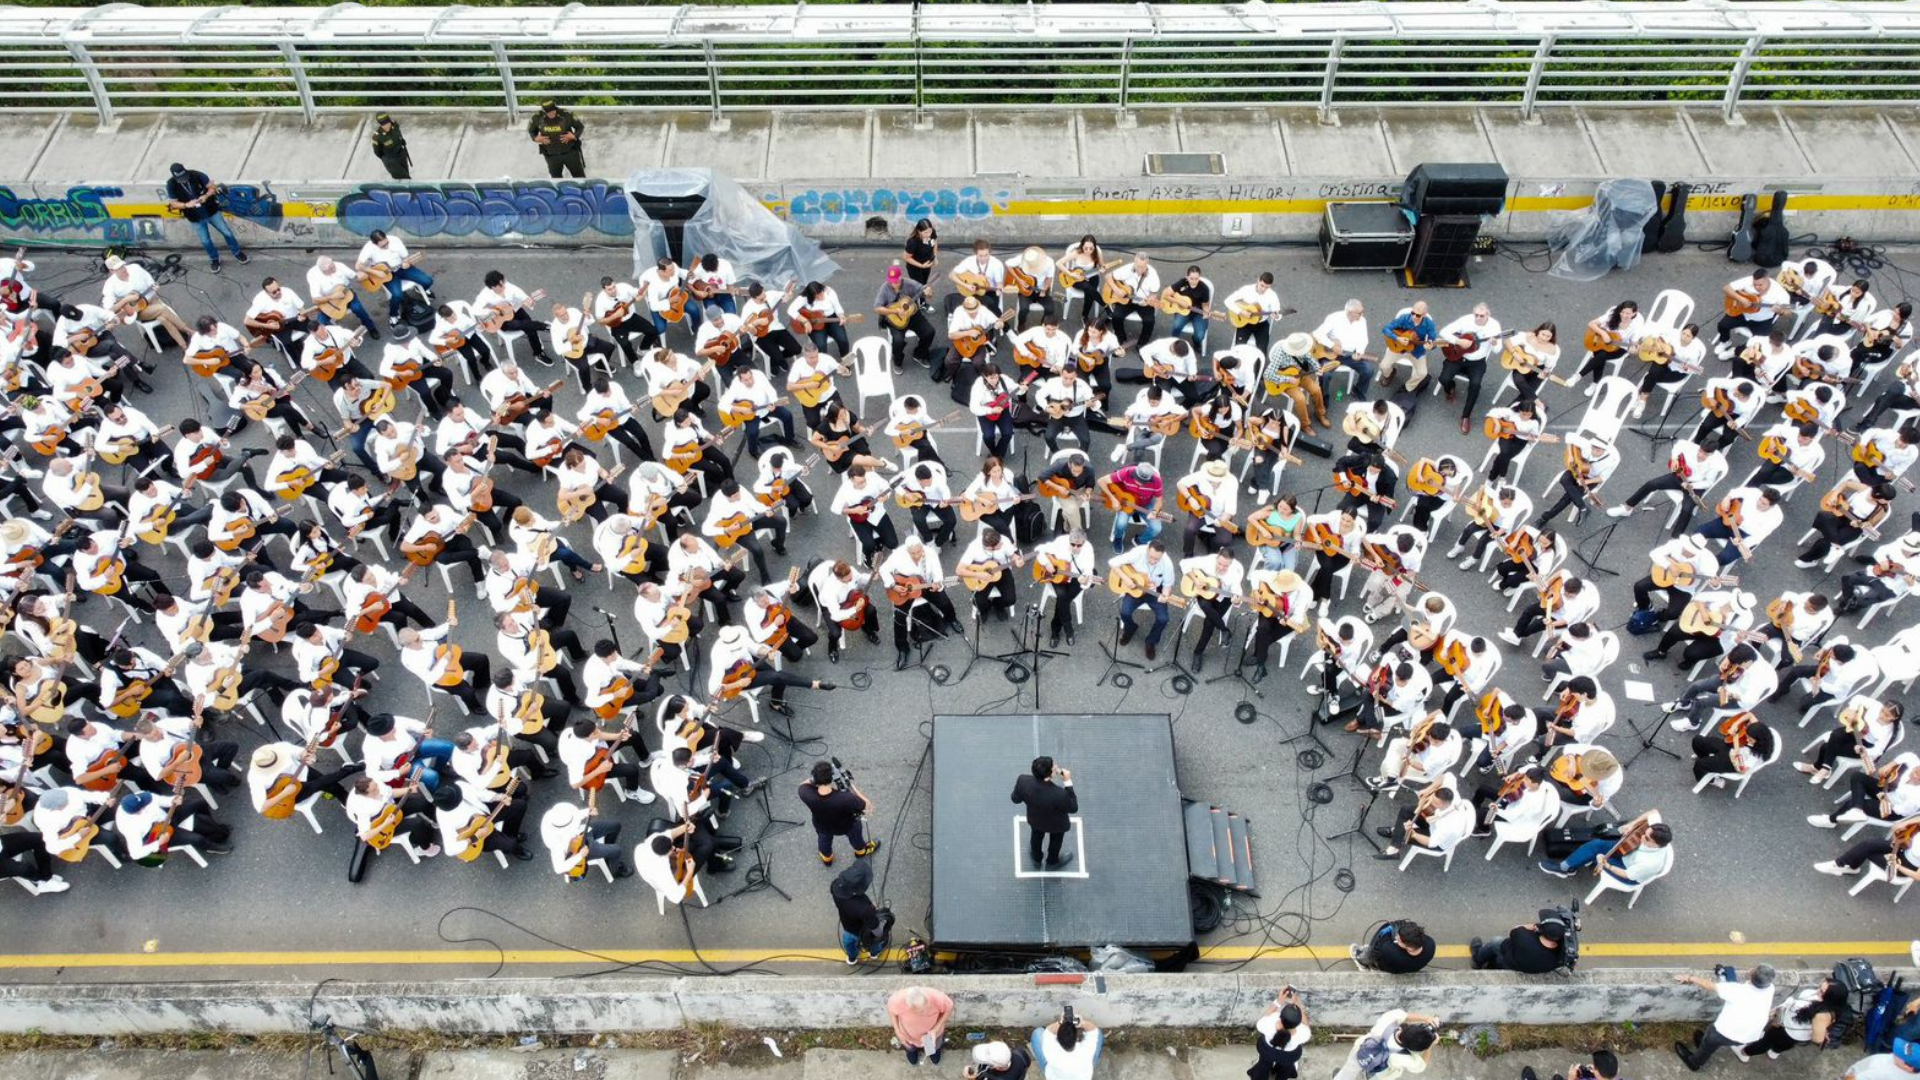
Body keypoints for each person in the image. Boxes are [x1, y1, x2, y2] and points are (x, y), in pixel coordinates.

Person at [1674, 965, 1777, 1071]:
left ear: (1751, 973)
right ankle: (1706, 1043)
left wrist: (1689, 978)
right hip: (1747, 1036)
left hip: (1722, 1033)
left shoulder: (1736, 990)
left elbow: (1709, 985)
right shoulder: (1770, 988)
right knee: (1713, 1041)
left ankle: (1694, 1062)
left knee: (1709, 1042)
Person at [163, 162, 249, 273]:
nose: (183, 180)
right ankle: (214, 259)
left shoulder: (197, 175)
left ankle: (237, 252)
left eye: (184, 177)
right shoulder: (171, 184)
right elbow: (173, 203)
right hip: (194, 217)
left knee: (227, 232)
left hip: (211, 211)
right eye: (180, 178)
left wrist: (206, 196)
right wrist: (186, 205)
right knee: (205, 241)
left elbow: (212, 188)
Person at [1745, 976, 1848, 1059]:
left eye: (1822, 992)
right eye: (1820, 986)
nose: (1818, 991)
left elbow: (1818, 1039)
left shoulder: (1821, 1015)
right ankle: (1774, 1052)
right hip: (1792, 1030)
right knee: (1780, 1045)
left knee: (1765, 1042)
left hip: (1787, 1031)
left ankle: (1746, 1052)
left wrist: (1820, 1029)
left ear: (1830, 998)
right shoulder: (1825, 1003)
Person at [799, 759, 879, 867]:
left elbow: (804, 784)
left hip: (822, 826)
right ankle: (860, 851)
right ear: (832, 778)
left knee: (824, 840)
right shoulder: (846, 798)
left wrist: (815, 778)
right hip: (848, 826)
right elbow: (867, 806)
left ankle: (827, 858)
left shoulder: (805, 793)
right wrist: (850, 785)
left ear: (814, 778)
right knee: (856, 837)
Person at [1012, 755, 1078, 869]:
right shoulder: (1060, 794)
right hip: (1057, 824)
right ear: (1050, 775)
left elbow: (1015, 799)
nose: (1056, 766)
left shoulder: (1023, 780)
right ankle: (1052, 862)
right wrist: (1067, 781)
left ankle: (1036, 859)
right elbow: (1073, 807)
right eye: (1054, 766)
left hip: (1035, 819)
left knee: (1036, 837)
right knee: (1056, 841)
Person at [1334, 1008, 1437, 1080]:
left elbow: (1405, 1016)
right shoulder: (1404, 1058)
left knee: (1348, 1071)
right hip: (1380, 1072)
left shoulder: (1389, 1021)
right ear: (1416, 1049)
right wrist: (1430, 1046)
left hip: (1362, 1050)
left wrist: (1426, 1019)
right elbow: (1421, 1066)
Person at [830, 859, 893, 965]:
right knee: (877, 941)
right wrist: (882, 923)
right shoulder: (865, 909)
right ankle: (874, 953)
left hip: (848, 929)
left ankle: (852, 958)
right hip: (863, 931)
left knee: (849, 944)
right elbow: (878, 932)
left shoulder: (835, 886)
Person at [1469, 912, 1569, 974]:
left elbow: (1515, 930)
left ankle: (1477, 960)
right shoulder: (1563, 951)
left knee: (1496, 941)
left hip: (1509, 961)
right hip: (1530, 968)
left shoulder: (1524, 938)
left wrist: (1534, 926)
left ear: (1541, 930)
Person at [1248, 987, 1311, 1080]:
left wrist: (1279, 1001)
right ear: (1298, 1023)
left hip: (1267, 1051)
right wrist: (1298, 1005)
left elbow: (1264, 1018)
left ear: (1280, 1016)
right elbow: (1306, 1025)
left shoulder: (1271, 1021)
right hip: (1288, 1056)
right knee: (1286, 1067)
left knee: (1264, 1063)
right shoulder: (1303, 1032)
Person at [887, 985, 954, 1066]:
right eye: (920, 1011)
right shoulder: (897, 1000)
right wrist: (897, 1031)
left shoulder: (937, 997)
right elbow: (891, 1010)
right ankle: (912, 1051)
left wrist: (935, 1029)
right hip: (908, 1034)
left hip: (932, 1035)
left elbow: (949, 1007)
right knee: (910, 1048)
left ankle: (933, 1052)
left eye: (927, 1008)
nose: (925, 1012)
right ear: (909, 1006)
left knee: (934, 1049)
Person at [1031, 1009, 1103, 1080]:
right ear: (1076, 1038)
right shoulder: (1086, 1053)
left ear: (1058, 1039)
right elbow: (1093, 1029)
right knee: (1098, 1034)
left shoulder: (1051, 1053)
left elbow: (1048, 1031)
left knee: (1038, 1032)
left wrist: (1060, 1022)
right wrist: (1081, 1023)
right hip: (1084, 1074)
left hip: (1054, 1076)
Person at [1350, 919, 1434, 974]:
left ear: (1409, 948)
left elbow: (1380, 938)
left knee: (1374, 952)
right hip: (1410, 968)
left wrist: (1390, 928)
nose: (1397, 937)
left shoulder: (1390, 950)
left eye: (1399, 939)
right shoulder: (1431, 945)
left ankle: (1363, 962)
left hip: (1388, 966)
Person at [527, 99, 585, 178]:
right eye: (548, 112)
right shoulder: (537, 117)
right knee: (556, 179)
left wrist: (574, 136)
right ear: (543, 111)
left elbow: (580, 127)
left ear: (555, 108)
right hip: (551, 155)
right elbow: (531, 131)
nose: (551, 113)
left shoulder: (566, 114)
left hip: (570, 152)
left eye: (553, 110)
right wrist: (535, 138)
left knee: (579, 177)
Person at [369, 112, 411, 179]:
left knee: (406, 175)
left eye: (387, 122)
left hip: (401, 155)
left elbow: (398, 135)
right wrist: (387, 159)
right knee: (404, 179)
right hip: (391, 160)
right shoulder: (377, 136)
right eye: (383, 124)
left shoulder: (395, 125)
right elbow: (377, 152)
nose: (386, 125)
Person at [967, 1041, 1034, 1080]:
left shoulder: (990, 1077)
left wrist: (970, 1077)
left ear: (997, 1067)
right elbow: (1028, 1064)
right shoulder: (1020, 1053)